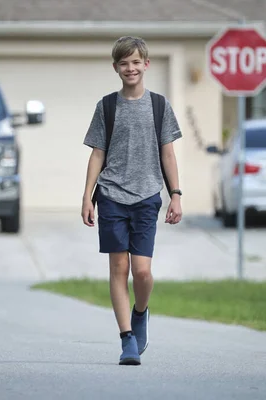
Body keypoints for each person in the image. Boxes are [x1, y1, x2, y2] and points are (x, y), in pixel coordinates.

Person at [81, 36, 183, 366]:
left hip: (146, 197)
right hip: (111, 195)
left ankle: (141, 312)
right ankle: (127, 339)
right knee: (119, 267)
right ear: (116, 68)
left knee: (141, 272)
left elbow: (168, 153)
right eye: (124, 63)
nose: (130, 68)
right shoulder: (107, 106)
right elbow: (98, 153)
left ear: (146, 65)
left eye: (136, 62)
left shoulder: (159, 106)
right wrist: (87, 196)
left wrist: (176, 195)